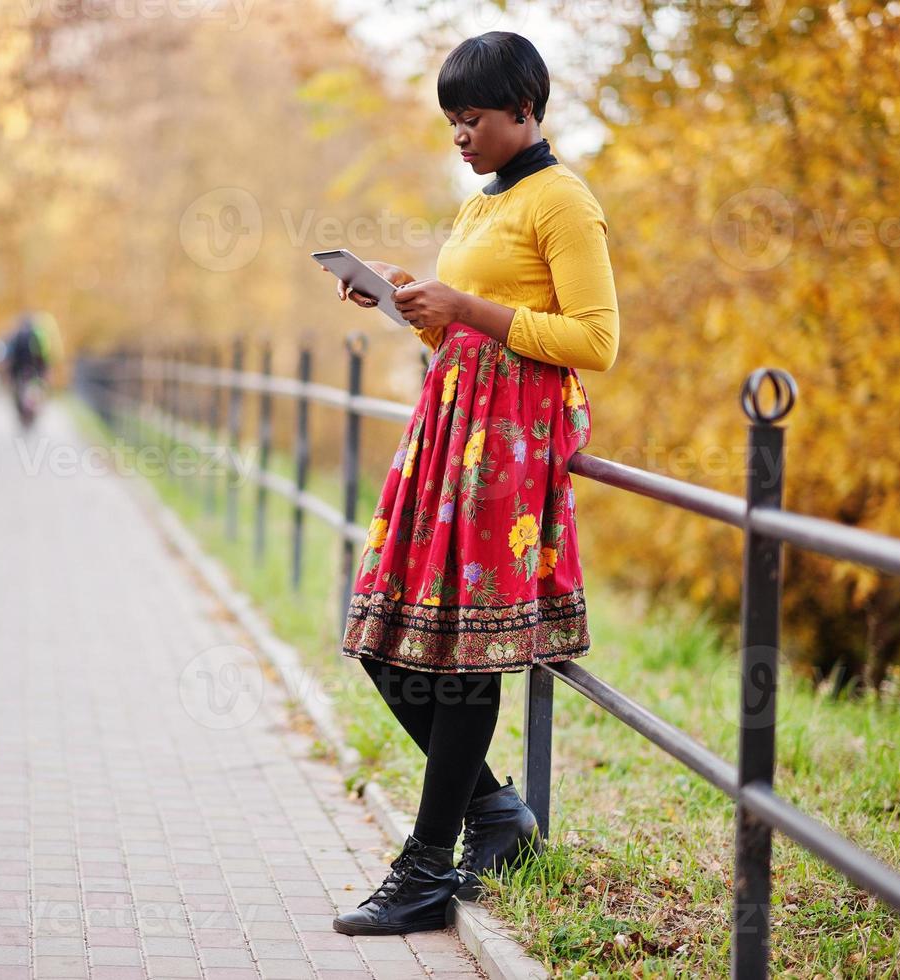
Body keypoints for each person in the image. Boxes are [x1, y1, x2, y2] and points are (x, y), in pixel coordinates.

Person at [323, 31, 620, 937]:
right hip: (452, 436)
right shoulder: (478, 206)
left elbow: (595, 342)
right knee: (384, 638)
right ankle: (495, 815)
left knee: (465, 652)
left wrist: (468, 309)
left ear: (525, 110)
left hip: (509, 452)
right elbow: (462, 336)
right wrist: (411, 301)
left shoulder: (562, 200)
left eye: (475, 118)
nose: (460, 134)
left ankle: (423, 869)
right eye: (451, 120)